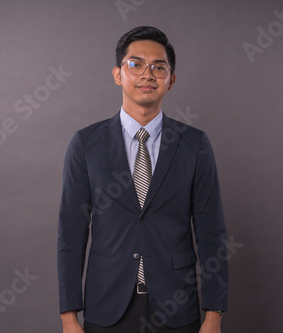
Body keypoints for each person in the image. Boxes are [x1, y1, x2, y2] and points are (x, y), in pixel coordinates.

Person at [58, 26, 228, 333]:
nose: (147, 74)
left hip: (177, 306)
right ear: (117, 74)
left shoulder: (194, 144)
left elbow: (212, 233)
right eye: (135, 64)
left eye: (158, 67)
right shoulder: (86, 144)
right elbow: (71, 233)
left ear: (171, 80)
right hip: (106, 306)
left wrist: (213, 316)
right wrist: (69, 317)